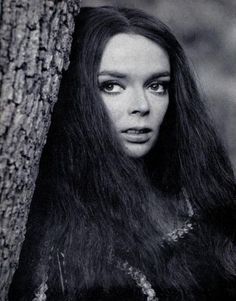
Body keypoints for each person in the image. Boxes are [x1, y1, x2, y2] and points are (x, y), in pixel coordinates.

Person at [9, 6, 236, 301]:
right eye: (112, 86)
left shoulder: (203, 201)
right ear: (78, 93)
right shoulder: (50, 233)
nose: (141, 105)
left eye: (157, 86)